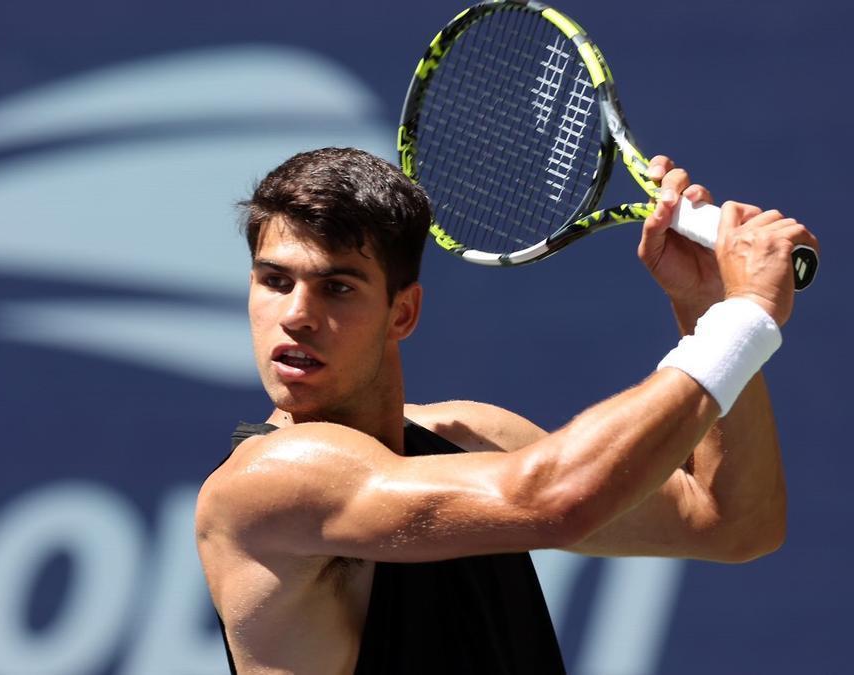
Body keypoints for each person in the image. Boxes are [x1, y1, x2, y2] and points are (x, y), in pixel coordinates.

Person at [194, 147, 818, 674]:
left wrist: (707, 306)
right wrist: (743, 319)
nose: (297, 315)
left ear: (402, 313)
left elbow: (736, 524)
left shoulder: (471, 436)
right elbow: (552, 500)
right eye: (274, 281)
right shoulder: (266, 484)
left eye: (337, 288)